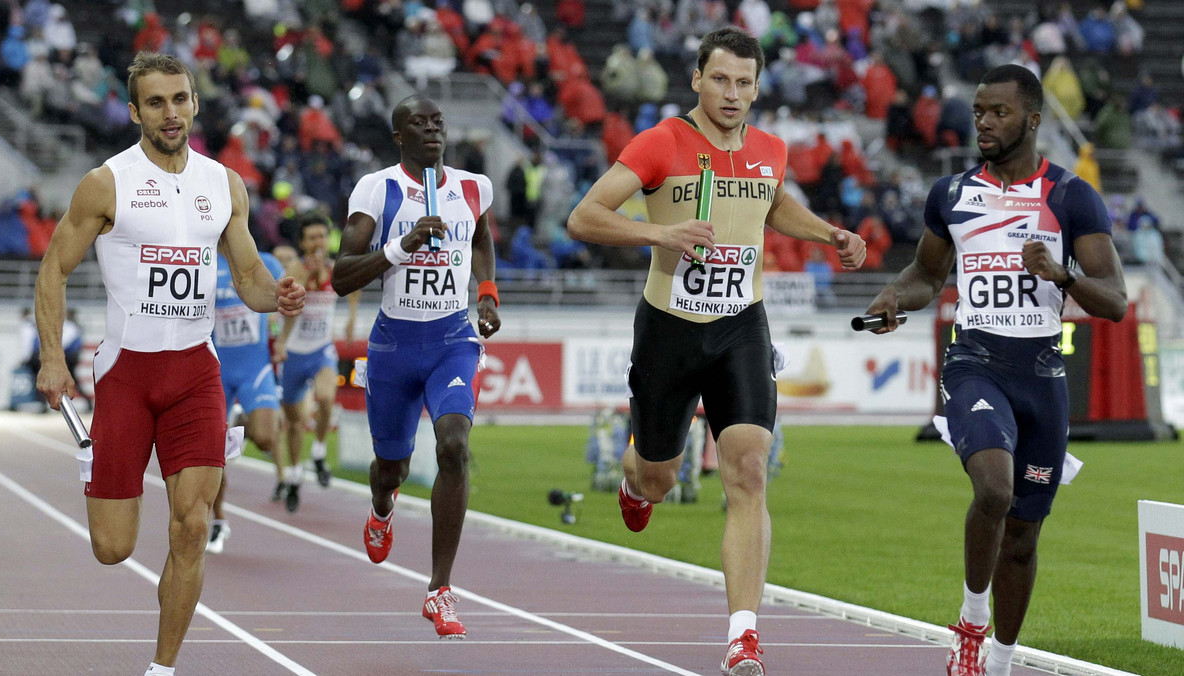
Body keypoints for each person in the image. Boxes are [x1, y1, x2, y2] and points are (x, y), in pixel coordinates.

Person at [565, 27, 866, 676]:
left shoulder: (769, 150)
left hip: (740, 327)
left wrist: (829, 235)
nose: (732, 94)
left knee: (748, 471)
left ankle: (742, 636)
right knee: (659, 475)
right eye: (721, 79)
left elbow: (773, 204)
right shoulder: (660, 143)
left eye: (744, 83)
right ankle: (636, 482)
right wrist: (660, 233)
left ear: (758, 88)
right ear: (697, 79)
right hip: (670, 330)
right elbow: (583, 218)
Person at [32, 52, 306, 676]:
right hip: (127, 377)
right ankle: (96, 460)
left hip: (195, 376)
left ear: (195, 102)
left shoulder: (224, 183)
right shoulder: (107, 183)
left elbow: (249, 277)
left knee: (190, 527)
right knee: (113, 547)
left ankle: (163, 668)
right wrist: (53, 359)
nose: (171, 112)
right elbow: (54, 269)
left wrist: (277, 295)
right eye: (155, 102)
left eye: (179, 99)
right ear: (134, 112)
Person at [862, 64, 1127, 676]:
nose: (983, 122)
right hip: (975, 361)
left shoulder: (1070, 196)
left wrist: (1062, 276)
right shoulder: (951, 196)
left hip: (1041, 371)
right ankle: (970, 624)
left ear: (1033, 120)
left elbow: (1113, 301)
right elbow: (928, 275)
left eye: (998, 112)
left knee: (1025, 534)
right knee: (994, 490)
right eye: (979, 111)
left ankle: (1002, 659)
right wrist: (895, 297)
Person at [331, 95, 501, 639]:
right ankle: (382, 508)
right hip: (394, 346)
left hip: (452, 338)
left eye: (438, 123)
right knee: (391, 467)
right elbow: (341, 276)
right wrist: (401, 249)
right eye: (418, 125)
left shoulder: (473, 187)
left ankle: (439, 590)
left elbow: (480, 237)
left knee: (453, 444)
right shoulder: (375, 190)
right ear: (398, 136)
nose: (432, 131)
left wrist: (489, 293)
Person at [274, 212, 359, 512]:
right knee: (295, 423)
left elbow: (354, 285)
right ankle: (295, 476)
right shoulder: (296, 270)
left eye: (321, 236)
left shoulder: (335, 269)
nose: (318, 242)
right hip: (295, 356)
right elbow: (286, 308)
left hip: (322, 350)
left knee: (325, 398)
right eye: (311, 237)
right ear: (303, 242)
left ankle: (320, 452)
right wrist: (282, 341)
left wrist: (350, 319)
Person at [207, 249, 287, 554]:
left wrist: (281, 340)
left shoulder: (264, 262)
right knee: (214, 456)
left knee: (266, 438)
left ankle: (240, 421)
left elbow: (286, 303)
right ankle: (218, 518)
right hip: (217, 370)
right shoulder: (206, 261)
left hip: (256, 366)